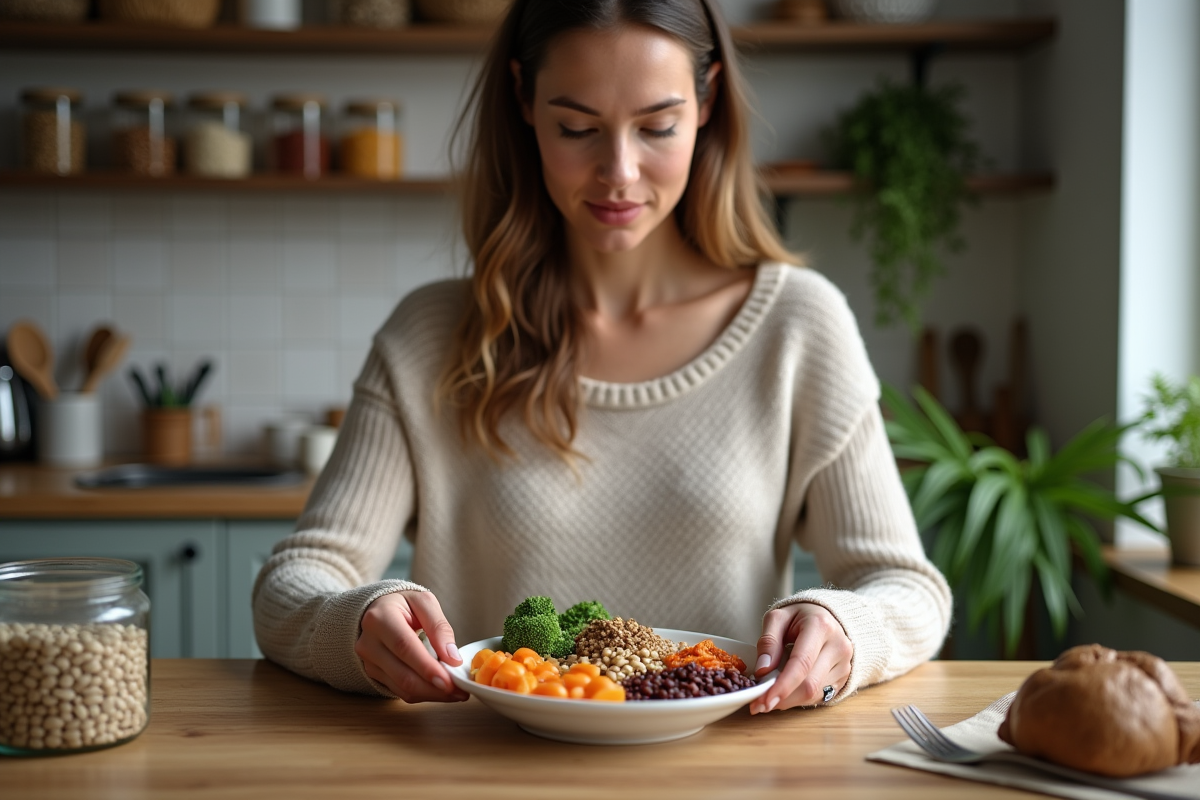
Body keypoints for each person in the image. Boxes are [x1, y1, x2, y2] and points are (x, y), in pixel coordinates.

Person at [252, 0, 951, 715]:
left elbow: (904, 586)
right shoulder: (432, 334)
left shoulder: (800, 326)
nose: (619, 171)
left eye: (658, 126)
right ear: (523, 101)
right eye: (577, 128)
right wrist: (360, 621)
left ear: (708, 102)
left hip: (726, 774)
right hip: (486, 772)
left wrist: (846, 627)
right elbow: (295, 582)